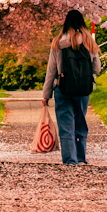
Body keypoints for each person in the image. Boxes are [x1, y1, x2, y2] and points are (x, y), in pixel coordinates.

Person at [42, 10, 101, 165]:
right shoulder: (89, 42)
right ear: (82, 23)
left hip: (63, 88)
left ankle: (70, 160)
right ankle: (81, 158)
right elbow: (97, 69)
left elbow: (51, 70)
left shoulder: (58, 42)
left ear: (66, 23)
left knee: (66, 125)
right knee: (80, 123)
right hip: (83, 89)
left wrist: (46, 94)